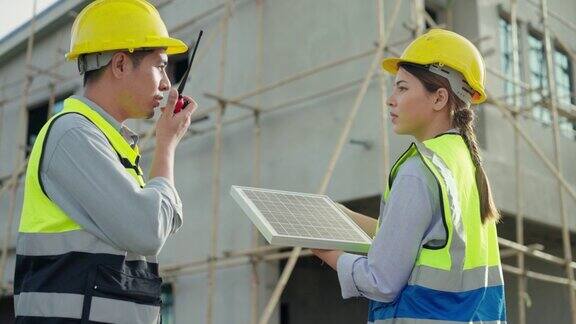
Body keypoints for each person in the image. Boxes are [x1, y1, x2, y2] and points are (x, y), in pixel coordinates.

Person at [14, 0, 196, 322]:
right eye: (159, 66)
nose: (167, 82)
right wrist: (166, 144)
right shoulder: (72, 135)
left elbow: (152, 227)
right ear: (121, 64)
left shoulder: (108, 142)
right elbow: (147, 231)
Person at [312, 29, 507, 323]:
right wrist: (343, 216)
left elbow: (381, 281)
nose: (391, 100)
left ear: (439, 98)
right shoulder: (463, 162)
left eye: (402, 88)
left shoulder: (419, 171)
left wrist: (323, 249)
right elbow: (414, 236)